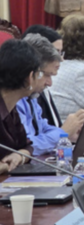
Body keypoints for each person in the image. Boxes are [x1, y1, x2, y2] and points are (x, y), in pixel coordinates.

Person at [16, 35, 84, 155]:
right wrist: (63, 132)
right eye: (48, 75)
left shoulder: (32, 97)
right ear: (33, 72)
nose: (50, 83)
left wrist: (70, 133)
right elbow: (28, 145)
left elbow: (42, 128)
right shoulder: (16, 98)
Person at [0, 40, 37, 173]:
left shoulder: (11, 108)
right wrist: (4, 166)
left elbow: (27, 146)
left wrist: (19, 156)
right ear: (30, 77)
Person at [20, 25, 65, 127]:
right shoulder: (18, 98)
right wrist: (63, 132)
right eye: (56, 51)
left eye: (61, 52)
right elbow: (29, 140)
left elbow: (44, 129)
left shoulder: (33, 95)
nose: (61, 59)